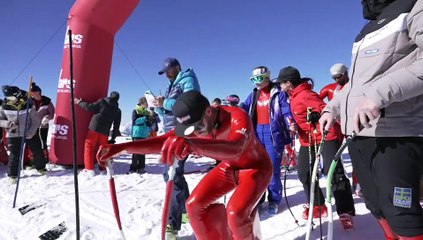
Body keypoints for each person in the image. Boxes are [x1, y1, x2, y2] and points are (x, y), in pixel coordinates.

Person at [97, 90, 272, 240]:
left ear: (209, 113)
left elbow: (237, 148)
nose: (193, 133)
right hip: (229, 166)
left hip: (255, 167)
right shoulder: (194, 124)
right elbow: (165, 141)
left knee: (236, 214)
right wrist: (121, 148)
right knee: (194, 206)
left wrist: (194, 145)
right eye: (188, 130)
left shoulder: (237, 116)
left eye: (195, 128)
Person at [319, 1, 423, 238]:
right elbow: (357, 85)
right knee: (376, 206)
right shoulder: (367, 29)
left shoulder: (414, 6)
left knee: (402, 213)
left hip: (396, 133)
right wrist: (331, 109)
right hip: (361, 134)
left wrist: (379, 94)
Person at [278, 66, 356, 229]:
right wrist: (295, 126)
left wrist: (317, 116)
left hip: (326, 137)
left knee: (333, 173)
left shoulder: (306, 95)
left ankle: (345, 210)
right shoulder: (292, 96)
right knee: (304, 173)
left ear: (289, 83)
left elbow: (328, 111)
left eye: (281, 83)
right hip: (308, 140)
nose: (280, 86)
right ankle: (318, 206)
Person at [151, 57, 201, 237]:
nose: (166, 75)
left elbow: (189, 103)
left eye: (168, 71)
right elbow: (170, 109)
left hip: (182, 130)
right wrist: (158, 107)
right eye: (164, 73)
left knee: (171, 175)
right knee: (175, 174)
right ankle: (187, 211)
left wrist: (165, 102)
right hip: (171, 131)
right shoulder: (171, 85)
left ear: (176, 68)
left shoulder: (188, 80)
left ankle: (173, 225)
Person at [240, 66, 293, 214]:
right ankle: (258, 198)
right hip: (257, 134)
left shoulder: (278, 93)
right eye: (253, 79)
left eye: (259, 78)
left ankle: (274, 199)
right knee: (258, 169)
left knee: (273, 169)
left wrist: (291, 122)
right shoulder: (254, 94)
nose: (256, 82)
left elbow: (286, 110)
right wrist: (235, 110)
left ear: (267, 77)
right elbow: (245, 106)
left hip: (273, 134)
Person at [0, 85, 47, 180]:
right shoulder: (4, 106)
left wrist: (31, 132)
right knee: (14, 155)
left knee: (37, 151)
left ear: (17, 95)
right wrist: (7, 124)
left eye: (12, 97)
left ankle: (41, 168)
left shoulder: (27, 105)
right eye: (8, 97)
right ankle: (13, 175)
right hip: (13, 134)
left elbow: (36, 120)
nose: (10, 100)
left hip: (29, 133)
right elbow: (0, 119)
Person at [74, 91, 121, 176]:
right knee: (103, 150)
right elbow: (116, 126)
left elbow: (89, 107)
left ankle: (89, 169)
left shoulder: (102, 101)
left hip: (94, 128)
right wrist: (113, 138)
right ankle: (103, 168)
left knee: (89, 147)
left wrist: (80, 102)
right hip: (105, 131)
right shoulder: (117, 110)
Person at [30, 82, 55, 160]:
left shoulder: (47, 102)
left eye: (33, 92)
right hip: (31, 126)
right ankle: (33, 159)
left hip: (43, 126)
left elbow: (52, 114)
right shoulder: (29, 102)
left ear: (38, 92)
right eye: (31, 92)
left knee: (42, 142)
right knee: (32, 143)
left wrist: (47, 118)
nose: (31, 94)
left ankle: (45, 159)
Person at [128, 97, 151, 174]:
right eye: (146, 103)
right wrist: (144, 118)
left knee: (142, 152)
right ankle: (133, 168)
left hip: (144, 134)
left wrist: (150, 121)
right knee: (135, 152)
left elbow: (149, 123)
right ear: (142, 103)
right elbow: (135, 121)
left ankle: (141, 168)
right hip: (137, 134)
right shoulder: (136, 111)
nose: (148, 105)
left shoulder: (146, 112)